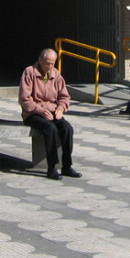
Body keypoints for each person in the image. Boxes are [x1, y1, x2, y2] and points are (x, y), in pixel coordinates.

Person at [19, 48, 81, 180]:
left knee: (67, 128)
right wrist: (40, 110)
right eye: (47, 63)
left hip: (52, 111)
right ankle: (52, 167)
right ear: (40, 60)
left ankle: (66, 166)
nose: (50, 66)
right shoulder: (29, 72)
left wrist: (60, 108)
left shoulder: (56, 74)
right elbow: (24, 99)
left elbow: (64, 96)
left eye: (53, 63)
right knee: (50, 128)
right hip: (33, 113)